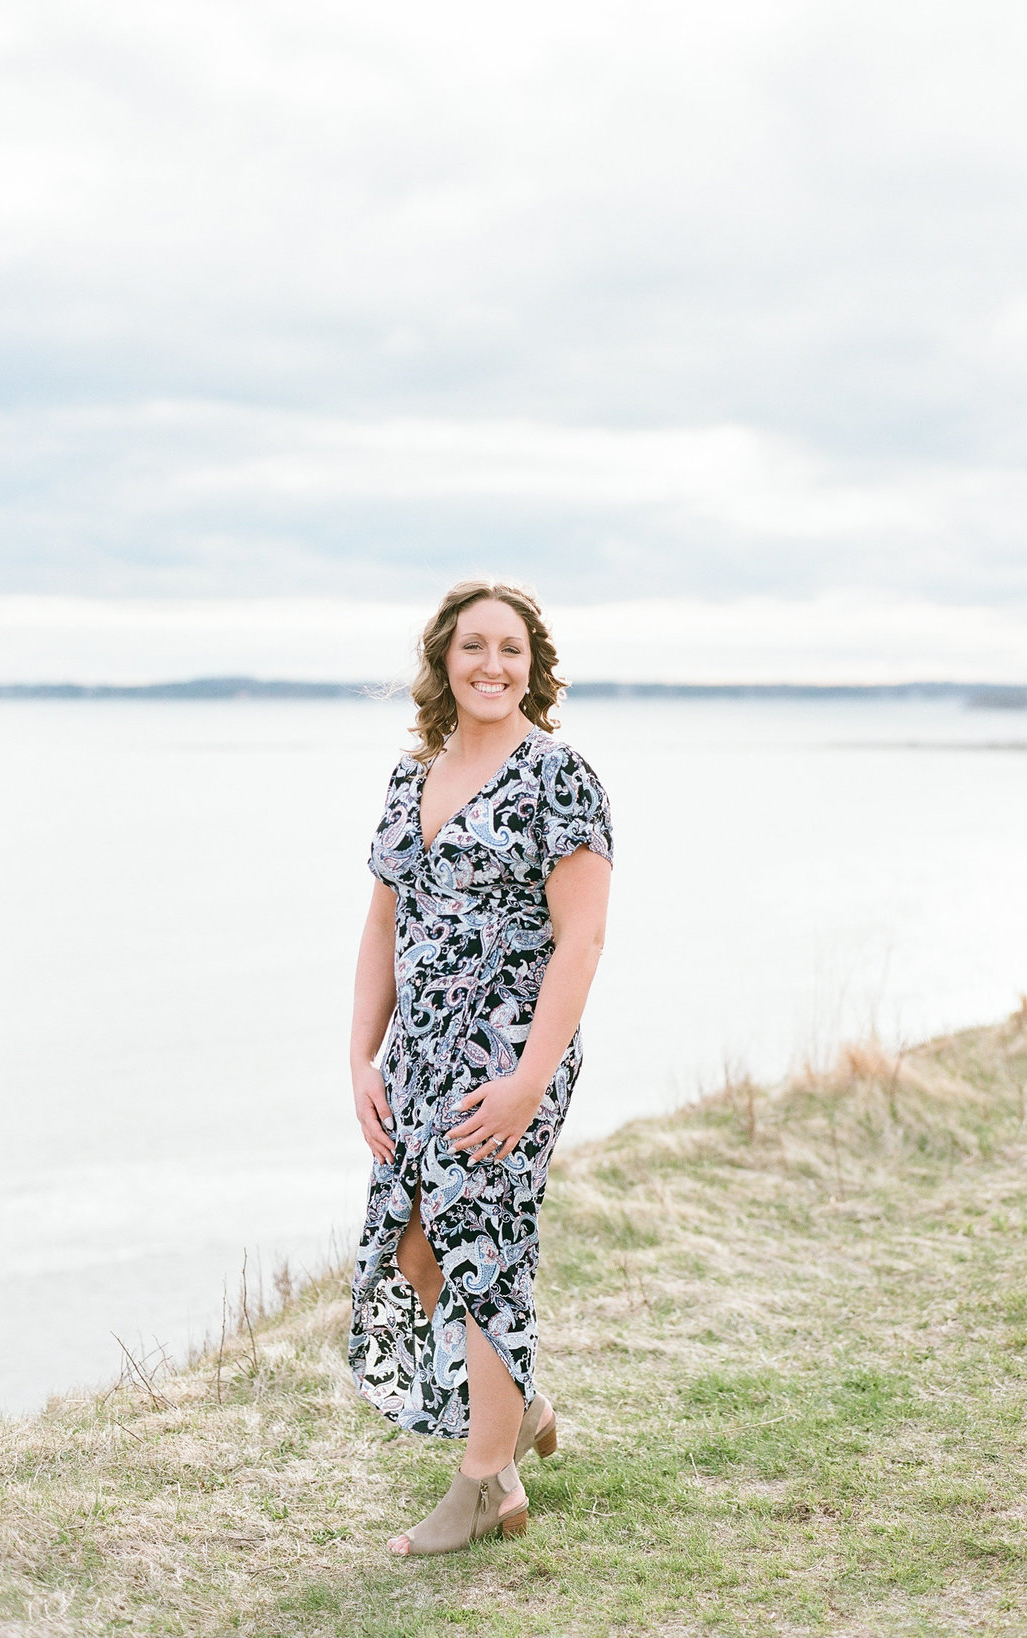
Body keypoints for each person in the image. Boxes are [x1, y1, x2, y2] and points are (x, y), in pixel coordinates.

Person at [347, 577, 614, 1556]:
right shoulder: (409, 779)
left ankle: (477, 1481)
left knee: (483, 1245)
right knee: (417, 1250)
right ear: (444, 662)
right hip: (415, 1052)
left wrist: (532, 1078)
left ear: (534, 666)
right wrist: (359, 1058)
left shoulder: (560, 779)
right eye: (473, 647)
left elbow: (581, 941)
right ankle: (521, 1410)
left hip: (508, 1050)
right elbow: (384, 922)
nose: (491, 664)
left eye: (511, 648)